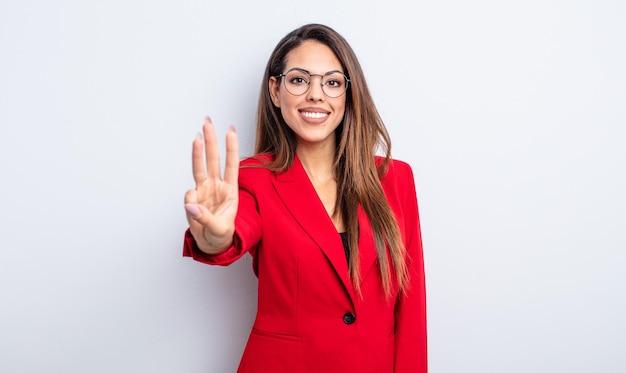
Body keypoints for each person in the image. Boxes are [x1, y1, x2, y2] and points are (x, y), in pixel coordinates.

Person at [182, 23, 427, 373]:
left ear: (348, 93)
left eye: (331, 82)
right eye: (299, 80)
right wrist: (214, 237)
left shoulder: (395, 178)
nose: (316, 94)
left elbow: (411, 306)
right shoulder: (253, 178)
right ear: (275, 90)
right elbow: (231, 233)